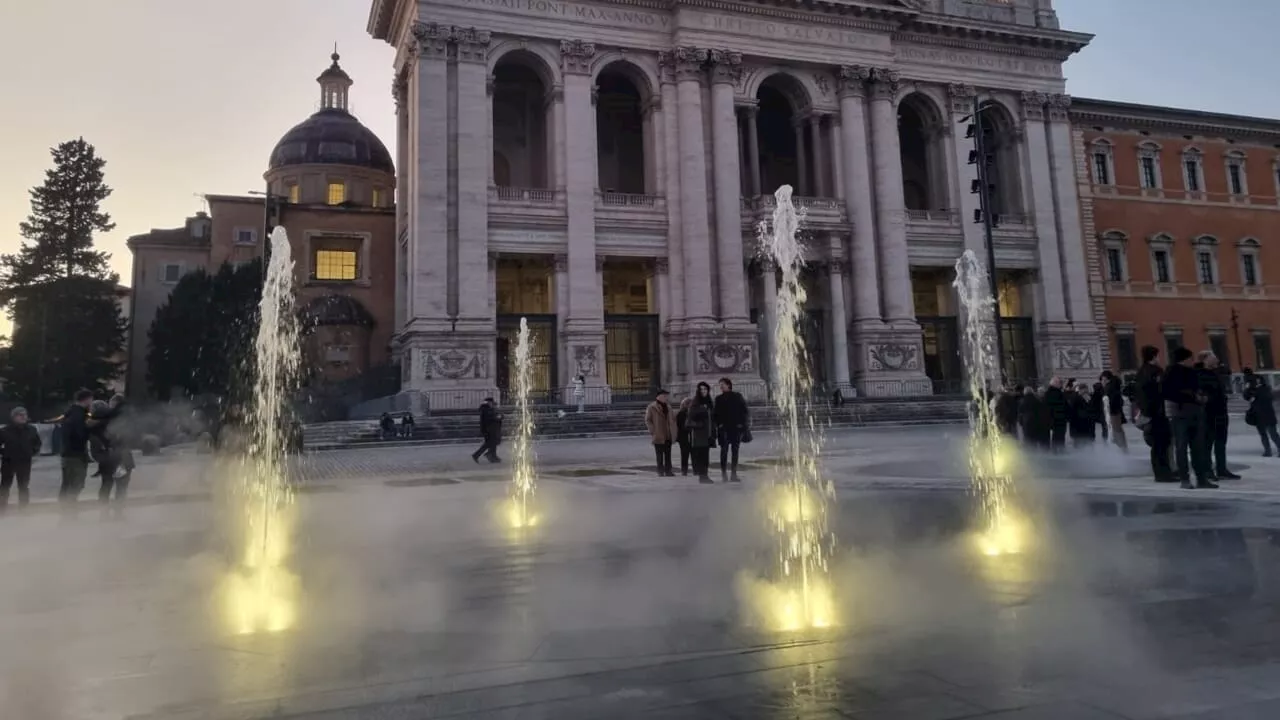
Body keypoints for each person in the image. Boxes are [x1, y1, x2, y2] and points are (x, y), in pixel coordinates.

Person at [1163, 347, 1215, 489]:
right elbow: (1167, 392)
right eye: (1191, 358)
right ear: (1185, 359)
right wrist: (1192, 395)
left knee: (1198, 447)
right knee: (1182, 447)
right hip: (1180, 413)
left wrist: (1202, 396)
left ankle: (1201, 478)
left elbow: (1199, 387)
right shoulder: (1171, 372)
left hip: (1195, 412)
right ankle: (1185, 479)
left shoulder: (1192, 372)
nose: (1193, 361)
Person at [1196, 351, 1239, 480]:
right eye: (1213, 358)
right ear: (1205, 360)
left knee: (1221, 442)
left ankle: (1222, 469)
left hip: (1221, 411)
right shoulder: (1199, 374)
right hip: (1208, 413)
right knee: (1208, 443)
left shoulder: (1217, 372)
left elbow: (1228, 371)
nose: (1216, 360)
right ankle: (1207, 470)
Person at [1134, 345, 1174, 483]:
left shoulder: (1140, 372)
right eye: (1157, 355)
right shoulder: (1156, 371)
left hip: (1148, 412)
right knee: (1163, 444)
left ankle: (1160, 473)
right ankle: (1165, 473)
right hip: (1158, 412)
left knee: (1156, 446)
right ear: (1154, 356)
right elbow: (1162, 390)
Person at [58, 389, 96, 502]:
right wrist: (90, 429)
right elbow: (80, 434)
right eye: (91, 400)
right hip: (75, 455)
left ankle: (66, 511)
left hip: (68, 454)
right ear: (88, 399)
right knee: (76, 484)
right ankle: (69, 512)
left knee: (67, 484)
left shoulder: (70, 411)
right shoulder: (79, 414)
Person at [0, 407, 41, 511]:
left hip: (24, 462)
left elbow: (37, 443)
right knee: (5, 486)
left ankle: (23, 509)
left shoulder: (31, 429)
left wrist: (32, 452)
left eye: (25, 415)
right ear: (13, 417)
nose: (23, 417)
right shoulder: (5, 431)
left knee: (23, 486)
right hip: (8, 462)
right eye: (20, 415)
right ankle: (2, 508)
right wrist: (4, 453)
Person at [712, 377, 749, 482]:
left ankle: (734, 473)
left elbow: (744, 411)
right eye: (720, 385)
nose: (721, 386)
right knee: (724, 451)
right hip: (724, 429)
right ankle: (724, 473)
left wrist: (741, 424)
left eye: (722, 384)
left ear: (729, 385)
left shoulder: (737, 396)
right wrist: (719, 425)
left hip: (735, 428)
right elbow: (715, 414)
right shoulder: (718, 399)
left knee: (735, 451)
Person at [1242, 368, 1280, 456]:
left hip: (1258, 412)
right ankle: (1278, 449)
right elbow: (1270, 397)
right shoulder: (1265, 386)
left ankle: (1268, 451)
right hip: (1268, 411)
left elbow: (1246, 396)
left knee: (1263, 434)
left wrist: (1252, 396)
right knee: (1273, 433)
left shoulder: (1250, 385)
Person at [644, 389, 678, 477]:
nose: (666, 398)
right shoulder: (652, 407)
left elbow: (672, 419)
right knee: (659, 454)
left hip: (668, 434)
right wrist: (653, 431)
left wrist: (673, 430)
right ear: (658, 396)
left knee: (668, 454)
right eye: (664, 396)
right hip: (658, 434)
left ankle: (668, 470)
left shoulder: (668, 407)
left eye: (666, 396)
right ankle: (660, 470)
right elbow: (648, 420)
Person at [687, 384, 714, 484]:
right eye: (701, 389)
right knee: (701, 456)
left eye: (705, 389)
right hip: (699, 434)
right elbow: (690, 418)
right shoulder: (695, 403)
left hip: (708, 433)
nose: (703, 391)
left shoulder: (709, 402)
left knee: (706, 456)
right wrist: (700, 423)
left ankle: (705, 475)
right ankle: (702, 476)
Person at [1101, 371, 1128, 451]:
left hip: (1113, 412)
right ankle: (1123, 447)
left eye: (1102, 379)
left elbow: (1108, 401)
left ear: (1106, 378)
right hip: (1117, 411)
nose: (1102, 381)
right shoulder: (1114, 386)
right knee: (1118, 430)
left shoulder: (1109, 388)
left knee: (1116, 431)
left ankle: (1122, 448)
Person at [471, 398, 503, 463]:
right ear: (488, 402)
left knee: (492, 442)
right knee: (489, 443)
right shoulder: (486, 410)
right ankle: (479, 455)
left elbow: (498, 415)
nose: (492, 403)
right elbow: (491, 418)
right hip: (488, 429)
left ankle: (492, 456)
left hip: (491, 429)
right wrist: (498, 417)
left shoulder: (489, 409)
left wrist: (500, 416)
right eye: (491, 402)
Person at [1043, 377, 1068, 452]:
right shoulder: (1057, 393)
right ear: (1056, 384)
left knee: (1056, 436)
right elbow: (1064, 405)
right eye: (1060, 383)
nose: (1061, 385)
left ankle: (1057, 450)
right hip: (1059, 418)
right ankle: (1059, 451)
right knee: (1059, 437)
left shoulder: (1048, 393)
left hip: (1054, 419)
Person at [675, 397, 693, 476]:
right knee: (685, 454)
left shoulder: (691, 413)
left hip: (690, 436)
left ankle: (693, 469)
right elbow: (681, 425)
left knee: (693, 453)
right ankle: (684, 470)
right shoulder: (681, 413)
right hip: (683, 436)